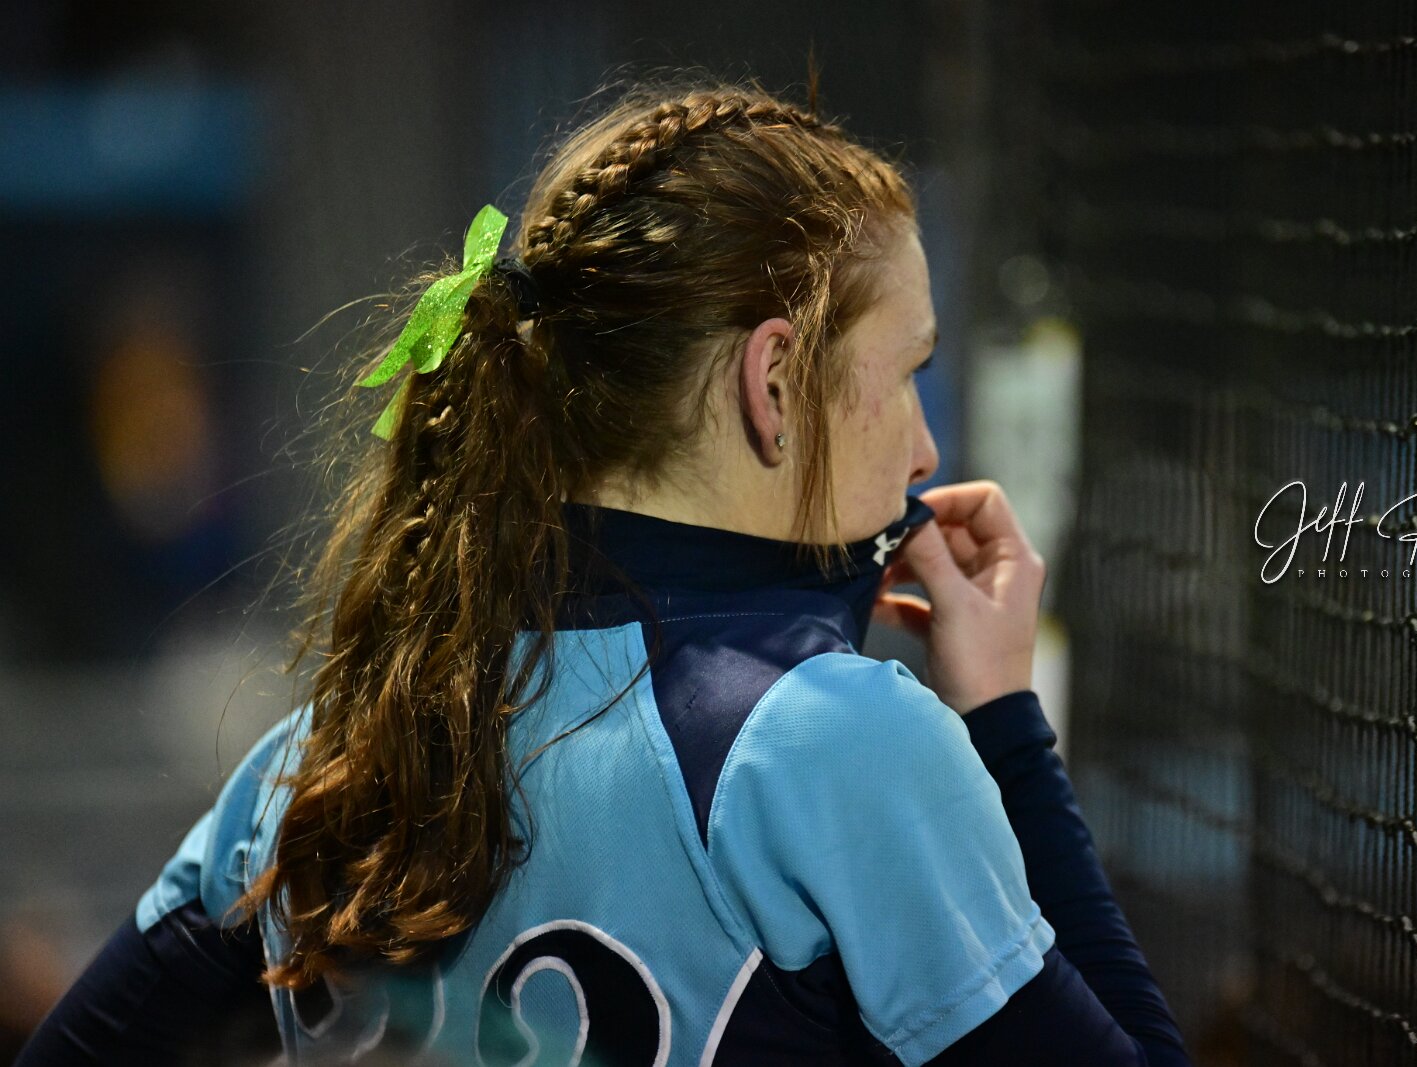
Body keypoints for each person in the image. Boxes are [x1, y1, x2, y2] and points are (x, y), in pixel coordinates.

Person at [18, 81, 1190, 1066]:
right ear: (774, 383)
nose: (926, 450)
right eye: (908, 375)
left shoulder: (322, 757)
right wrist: (1004, 725)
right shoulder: (835, 743)